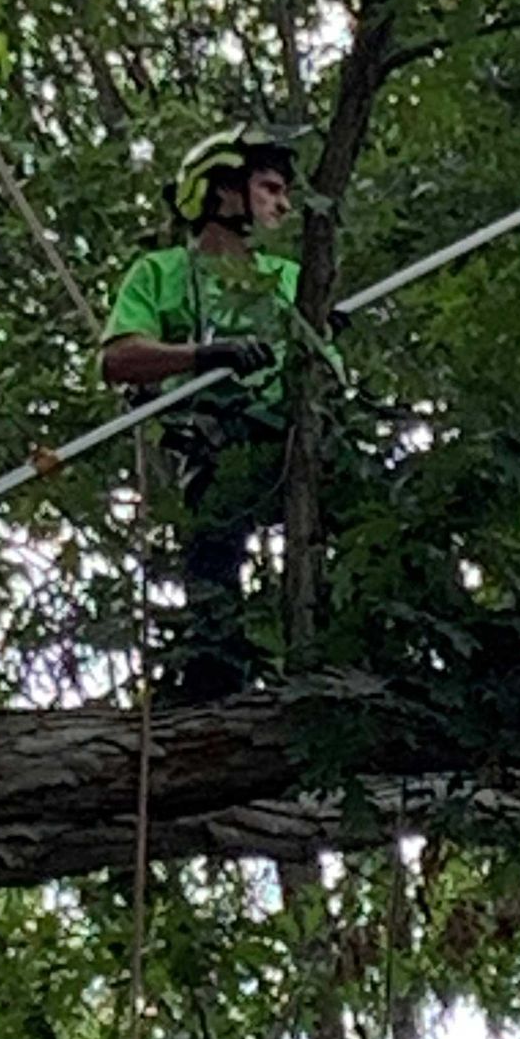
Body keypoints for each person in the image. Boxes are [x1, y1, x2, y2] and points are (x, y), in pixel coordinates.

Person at [100, 123, 309, 701]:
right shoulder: (162, 273)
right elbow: (119, 358)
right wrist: (201, 356)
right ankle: (215, 688)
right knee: (213, 566)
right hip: (213, 450)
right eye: (269, 187)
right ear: (221, 191)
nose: (282, 203)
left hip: (295, 441)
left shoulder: (292, 280)